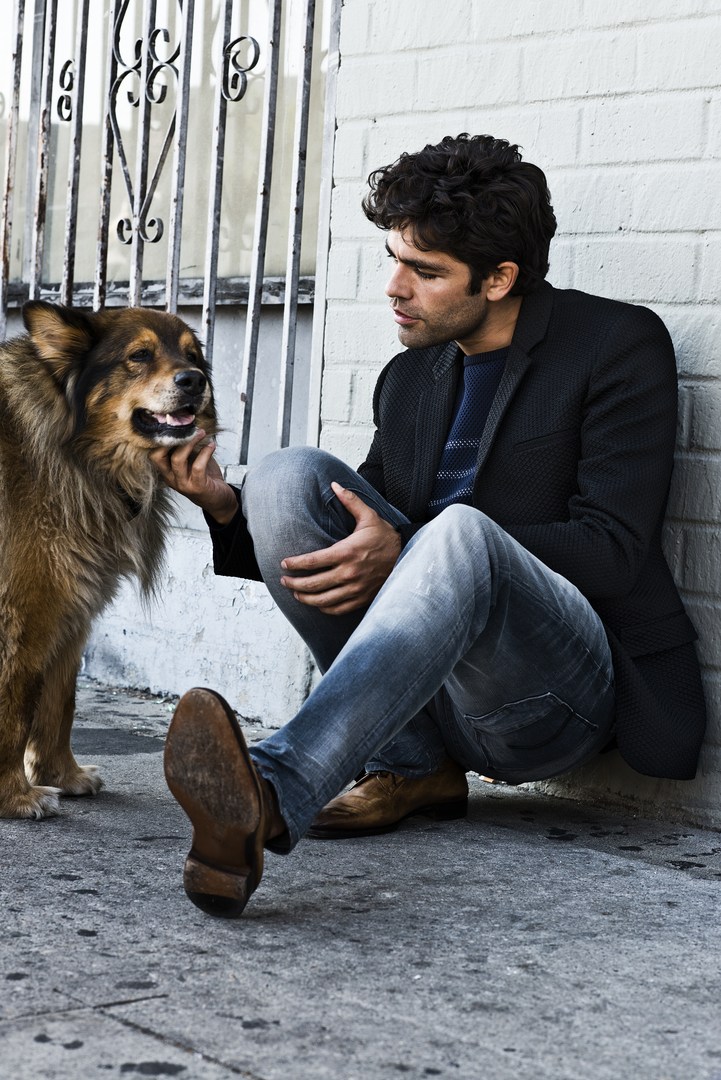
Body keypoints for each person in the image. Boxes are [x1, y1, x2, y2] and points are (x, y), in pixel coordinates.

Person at [152, 134, 706, 919]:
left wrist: (413, 546)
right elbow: (361, 530)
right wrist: (223, 505)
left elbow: (612, 552)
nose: (393, 288)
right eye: (393, 259)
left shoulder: (614, 347)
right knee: (284, 477)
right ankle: (411, 766)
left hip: (554, 701)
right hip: (434, 695)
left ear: (500, 278)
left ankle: (273, 788)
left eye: (425, 272)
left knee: (459, 532)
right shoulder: (410, 374)